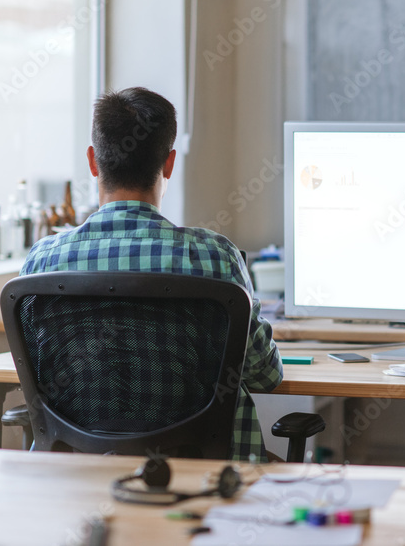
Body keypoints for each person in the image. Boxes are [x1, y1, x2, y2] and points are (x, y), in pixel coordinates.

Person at [21, 87, 283, 461]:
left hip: (76, 476)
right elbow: (265, 376)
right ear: (170, 163)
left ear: (93, 162)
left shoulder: (42, 262)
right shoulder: (215, 258)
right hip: (201, 479)